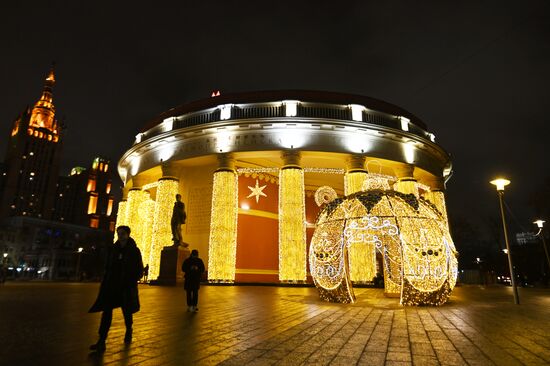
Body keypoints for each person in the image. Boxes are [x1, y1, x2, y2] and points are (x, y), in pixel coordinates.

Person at [88, 226, 143, 352]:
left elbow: (139, 269)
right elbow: (107, 265)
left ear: (128, 234)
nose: (120, 236)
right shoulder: (113, 249)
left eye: (123, 234)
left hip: (125, 286)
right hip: (111, 285)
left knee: (127, 311)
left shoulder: (134, 250)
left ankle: (129, 329)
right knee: (106, 312)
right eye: (119, 233)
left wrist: (131, 279)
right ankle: (101, 340)